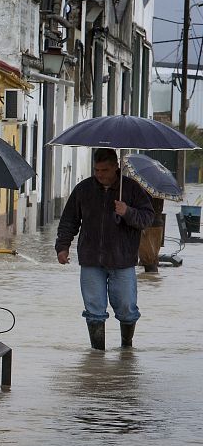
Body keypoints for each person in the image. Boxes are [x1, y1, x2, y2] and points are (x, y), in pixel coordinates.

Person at [55, 148, 154, 350]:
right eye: (97, 170)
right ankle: (97, 355)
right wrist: (62, 247)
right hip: (91, 259)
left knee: (127, 308)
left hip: (123, 260)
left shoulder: (133, 189)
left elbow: (147, 219)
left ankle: (126, 350)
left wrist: (128, 212)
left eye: (105, 170)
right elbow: (69, 221)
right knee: (94, 310)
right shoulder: (83, 189)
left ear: (116, 167)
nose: (100, 175)